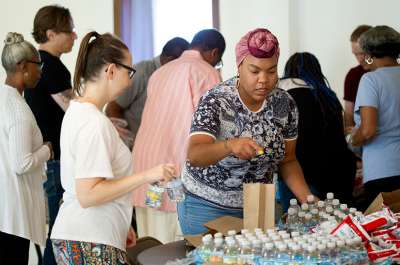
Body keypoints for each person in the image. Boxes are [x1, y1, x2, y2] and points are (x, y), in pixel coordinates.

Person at [50, 31, 176, 264]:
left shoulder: (78, 110)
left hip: (85, 234)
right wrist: (147, 175)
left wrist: (121, 222)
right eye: (128, 72)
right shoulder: (93, 123)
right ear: (110, 70)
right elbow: (89, 194)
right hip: (89, 239)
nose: (129, 81)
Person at [178, 28, 313, 235]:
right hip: (207, 206)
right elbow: (195, 155)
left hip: (258, 206)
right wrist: (229, 145)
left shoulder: (284, 103)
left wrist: (308, 199)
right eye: (255, 71)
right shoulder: (216, 100)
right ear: (239, 66)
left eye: (271, 71)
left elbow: (288, 160)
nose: (263, 80)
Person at [131, 29, 225, 243]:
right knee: (174, 247)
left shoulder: (160, 72)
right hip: (175, 171)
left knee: (148, 244)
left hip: (145, 169)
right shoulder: (207, 72)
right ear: (214, 53)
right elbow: (214, 128)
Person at [24, 5, 77, 264]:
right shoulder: (52, 67)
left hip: (47, 156)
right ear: (51, 33)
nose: (75, 37)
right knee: (59, 230)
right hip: (54, 158)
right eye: (69, 31)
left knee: (57, 229)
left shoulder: (39, 63)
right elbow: (75, 110)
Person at [278, 52, 357, 211]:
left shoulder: (283, 95)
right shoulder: (328, 96)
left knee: (298, 228)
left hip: (300, 174)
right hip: (337, 172)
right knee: (336, 228)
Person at [0, 32, 52, 264]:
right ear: (22, 66)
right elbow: (21, 163)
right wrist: (47, 150)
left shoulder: (3, 98)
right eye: (38, 64)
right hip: (13, 212)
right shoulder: (18, 109)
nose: (41, 70)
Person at [349, 25, 400, 210]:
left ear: (369, 52)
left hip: (382, 171)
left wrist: (352, 138)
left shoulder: (371, 80)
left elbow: (368, 130)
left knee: (384, 235)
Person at [105, 37, 189, 143]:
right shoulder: (142, 72)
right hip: (133, 151)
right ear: (170, 60)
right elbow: (112, 108)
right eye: (183, 64)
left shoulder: (176, 78)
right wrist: (130, 143)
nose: (185, 69)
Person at [343, 25, 372, 129]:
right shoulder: (353, 75)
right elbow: (349, 114)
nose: (359, 59)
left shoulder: (386, 73)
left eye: (362, 53)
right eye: (355, 54)